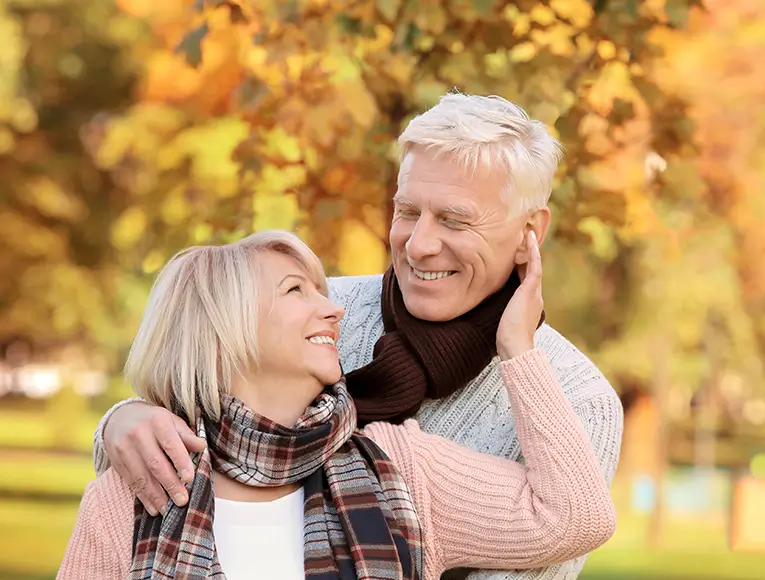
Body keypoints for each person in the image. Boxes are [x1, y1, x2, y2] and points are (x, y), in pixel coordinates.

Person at [88, 93, 624, 579]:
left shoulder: (577, 399)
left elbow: (565, 526)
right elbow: (201, 416)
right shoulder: (322, 317)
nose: (418, 245)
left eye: (455, 221)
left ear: (531, 232)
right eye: (407, 211)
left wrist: (517, 353)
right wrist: (124, 418)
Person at [58, 230, 615, 580]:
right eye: (295, 290)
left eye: (320, 290)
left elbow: (575, 516)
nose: (334, 309)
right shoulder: (133, 498)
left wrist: (517, 347)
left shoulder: (400, 467)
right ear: (222, 330)